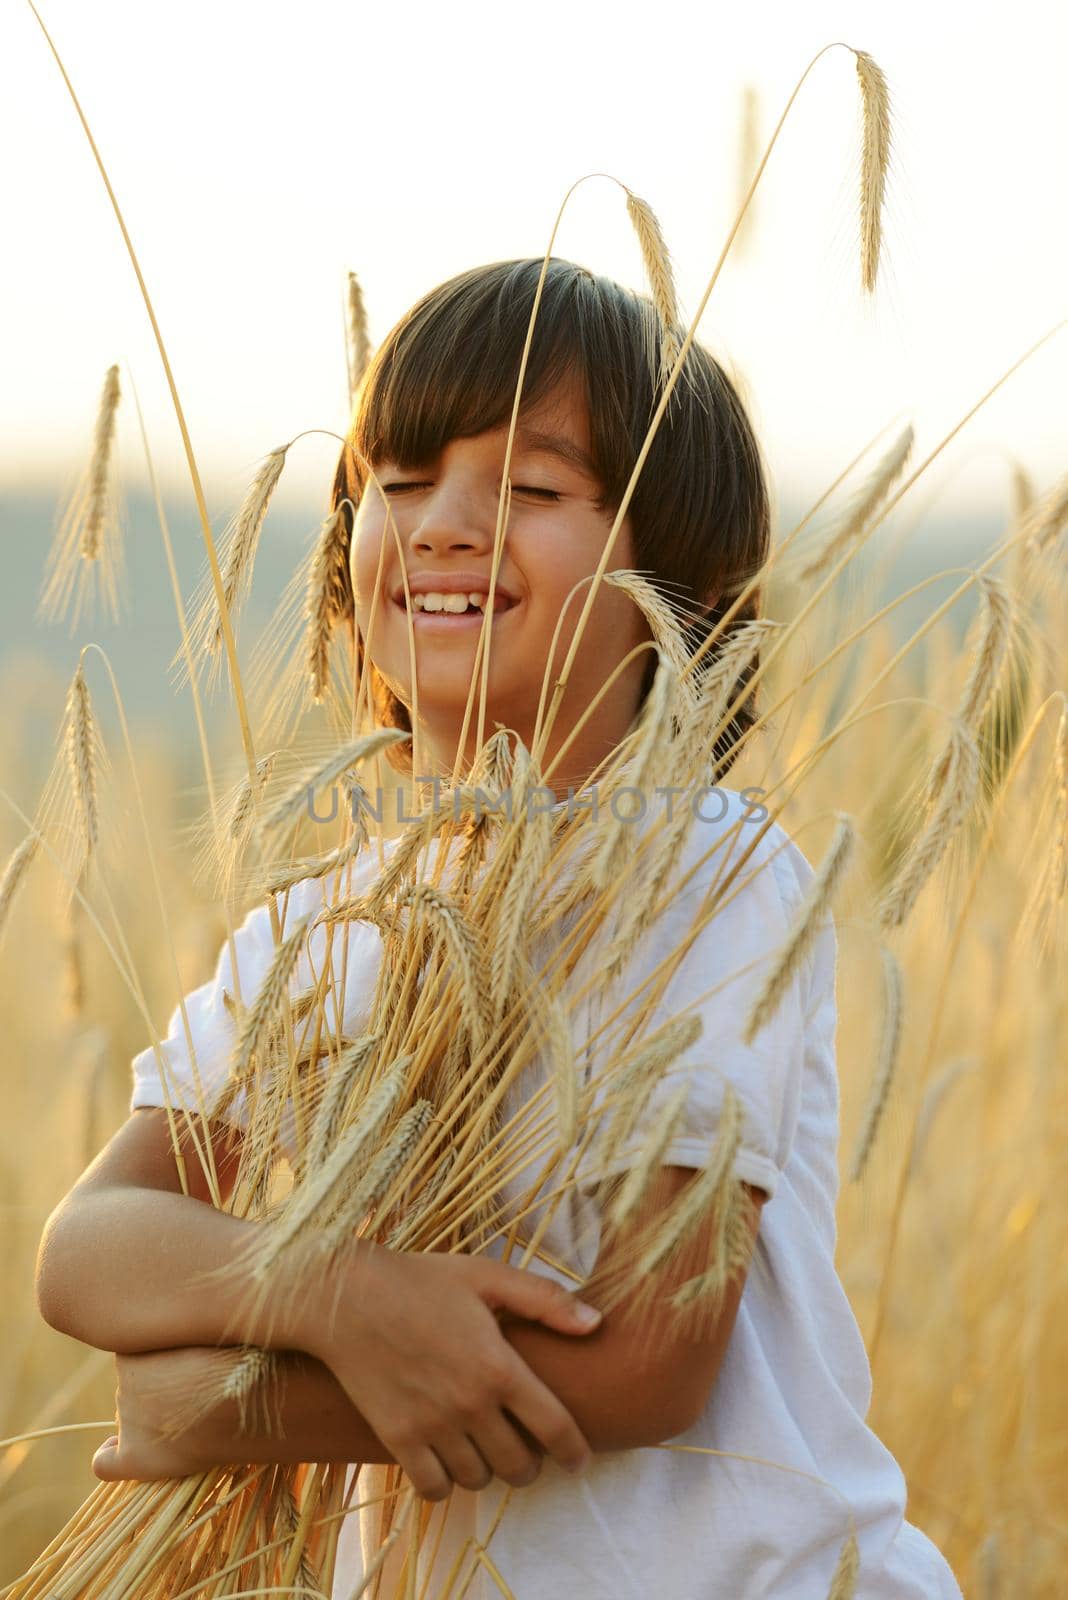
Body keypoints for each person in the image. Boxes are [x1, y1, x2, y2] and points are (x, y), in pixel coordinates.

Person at [34, 258, 963, 1597]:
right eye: (400, 483)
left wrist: (242, 1406)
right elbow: (91, 1249)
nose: (444, 526)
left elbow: (650, 1360)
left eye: (531, 489)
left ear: (672, 576)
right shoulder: (325, 926)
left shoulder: (704, 876)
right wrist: (342, 1297)